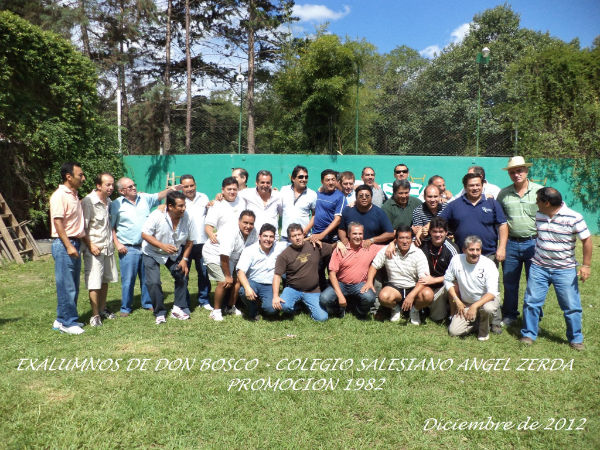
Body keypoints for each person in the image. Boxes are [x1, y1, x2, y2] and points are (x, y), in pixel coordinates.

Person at [520, 187, 592, 351]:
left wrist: (586, 265)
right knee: (531, 302)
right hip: (539, 267)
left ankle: (576, 339)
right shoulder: (539, 215)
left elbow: (587, 240)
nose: (536, 203)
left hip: (565, 270)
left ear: (547, 203)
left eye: (538, 200)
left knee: (571, 306)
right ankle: (529, 334)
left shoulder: (574, 217)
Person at [110, 177, 182, 316]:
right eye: (130, 187)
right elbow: (111, 226)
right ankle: (126, 307)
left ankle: (147, 303)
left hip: (146, 246)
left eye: (134, 185)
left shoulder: (144, 198)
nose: (134, 188)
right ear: (122, 191)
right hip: (128, 248)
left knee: (147, 278)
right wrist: (117, 244)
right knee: (128, 280)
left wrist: (172, 190)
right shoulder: (116, 204)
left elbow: (158, 196)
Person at [496, 156, 543, 326]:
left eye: (519, 171)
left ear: (526, 171)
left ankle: (534, 317)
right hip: (511, 244)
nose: (516, 174)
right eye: (512, 172)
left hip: (534, 243)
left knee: (535, 282)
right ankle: (510, 314)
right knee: (509, 282)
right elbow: (500, 220)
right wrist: (501, 246)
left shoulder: (540, 191)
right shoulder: (503, 194)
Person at [141, 191, 193, 324]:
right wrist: (162, 246)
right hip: (152, 252)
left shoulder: (186, 217)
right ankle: (159, 312)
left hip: (173, 253)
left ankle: (178, 308)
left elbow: (190, 241)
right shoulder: (156, 215)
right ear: (170, 206)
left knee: (182, 274)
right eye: (180, 206)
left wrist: (184, 260)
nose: (184, 208)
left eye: (184, 205)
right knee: (154, 282)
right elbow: (145, 234)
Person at [365, 225, 431, 325]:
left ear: (411, 239)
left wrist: (411, 295)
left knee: (428, 294)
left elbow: (424, 279)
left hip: (413, 287)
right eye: (401, 238)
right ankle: (395, 309)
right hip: (395, 288)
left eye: (408, 238)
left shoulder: (418, 253)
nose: (405, 241)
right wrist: (369, 282)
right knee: (383, 296)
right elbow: (374, 266)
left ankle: (415, 310)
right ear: (396, 239)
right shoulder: (388, 250)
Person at [50, 162, 86, 334]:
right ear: (68, 177)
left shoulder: (74, 195)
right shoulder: (60, 196)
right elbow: (58, 222)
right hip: (65, 244)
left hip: (74, 243)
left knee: (72, 285)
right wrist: (69, 245)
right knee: (67, 286)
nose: (83, 178)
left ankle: (60, 320)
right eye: (80, 175)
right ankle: (68, 323)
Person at [203, 210, 258, 321]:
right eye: (245, 222)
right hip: (214, 254)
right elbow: (224, 256)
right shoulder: (230, 232)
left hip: (232, 257)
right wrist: (228, 276)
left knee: (238, 280)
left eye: (251, 223)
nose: (248, 226)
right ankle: (216, 311)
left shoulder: (254, 232)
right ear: (239, 221)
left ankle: (230, 307)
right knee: (223, 281)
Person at [319, 222, 382, 319]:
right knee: (324, 299)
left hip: (360, 284)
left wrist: (391, 244)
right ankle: (339, 310)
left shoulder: (369, 246)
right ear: (348, 235)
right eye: (354, 234)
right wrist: (340, 296)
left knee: (370, 298)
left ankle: (359, 312)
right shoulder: (341, 249)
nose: (358, 236)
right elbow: (332, 274)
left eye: (360, 234)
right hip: (341, 283)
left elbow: (388, 247)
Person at [272, 224, 333, 322]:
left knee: (322, 318)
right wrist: (275, 296)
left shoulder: (314, 245)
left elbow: (332, 247)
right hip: (293, 289)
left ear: (303, 235)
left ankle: (305, 304)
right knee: (283, 306)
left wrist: (339, 243)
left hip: (312, 290)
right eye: (294, 236)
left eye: (299, 234)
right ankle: (297, 306)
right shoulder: (284, 255)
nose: (297, 238)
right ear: (289, 238)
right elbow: (277, 276)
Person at [444, 235, 500, 341]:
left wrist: (475, 306)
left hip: (486, 301)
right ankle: (477, 323)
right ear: (464, 250)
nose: (475, 253)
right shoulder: (456, 260)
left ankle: (483, 331)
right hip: (466, 303)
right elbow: (447, 280)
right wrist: (457, 300)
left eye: (478, 250)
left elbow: (492, 293)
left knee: (487, 308)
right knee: (454, 332)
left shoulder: (489, 264)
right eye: (471, 249)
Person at [81, 172, 118, 327]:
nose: (111, 187)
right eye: (107, 185)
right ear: (98, 185)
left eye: (112, 184)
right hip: (94, 249)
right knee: (94, 282)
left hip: (107, 248)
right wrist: (90, 245)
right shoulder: (88, 201)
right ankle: (95, 315)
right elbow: (82, 228)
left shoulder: (108, 201)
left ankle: (103, 309)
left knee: (105, 280)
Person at [237, 223, 287, 320]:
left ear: (275, 238)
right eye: (265, 236)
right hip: (253, 282)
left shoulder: (279, 247)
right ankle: (253, 309)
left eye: (271, 237)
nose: (268, 239)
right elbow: (240, 272)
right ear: (259, 237)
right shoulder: (250, 250)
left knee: (272, 310)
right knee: (243, 291)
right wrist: (247, 288)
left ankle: (262, 304)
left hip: (270, 285)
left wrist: (313, 238)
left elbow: (296, 243)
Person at [307, 169, 346, 290]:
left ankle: (333, 295)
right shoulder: (316, 194)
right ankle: (319, 292)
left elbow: (338, 220)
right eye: (327, 180)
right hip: (315, 236)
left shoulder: (340, 197)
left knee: (331, 268)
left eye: (333, 180)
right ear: (322, 182)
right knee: (317, 268)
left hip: (330, 239)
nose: (331, 182)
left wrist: (322, 235)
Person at [180, 174, 212, 311]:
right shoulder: (178, 200)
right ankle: (184, 302)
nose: (189, 189)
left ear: (195, 184)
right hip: (184, 244)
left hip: (202, 242)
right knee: (183, 274)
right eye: (186, 186)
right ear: (182, 188)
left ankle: (204, 300)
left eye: (191, 185)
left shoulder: (203, 197)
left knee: (204, 273)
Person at [417, 217, 459, 322]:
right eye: (434, 231)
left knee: (454, 285)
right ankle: (420, 308)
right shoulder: (423, 244)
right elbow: (407, 243)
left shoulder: (452, 249)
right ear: (430, 232)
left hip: (442, 286)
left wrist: (434, 280)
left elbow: (456, 274)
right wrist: (392, 244)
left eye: (441, 232)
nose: (438, 235)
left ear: (446, 233)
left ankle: (452, 315)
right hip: (425, 284)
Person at [238, 170, 282, 239]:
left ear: (271, 184)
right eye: (262, 182)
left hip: (272, 239)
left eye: (268, 183)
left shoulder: (278, 196)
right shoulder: (247, 194)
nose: (265, 185)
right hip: (253, 239)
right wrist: (221, 195)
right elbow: (232, 195)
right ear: (256, 183)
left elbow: (284, 213)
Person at [280, 165, 317, 241]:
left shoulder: (312, 194)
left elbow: (315, 215)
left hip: (303, 237)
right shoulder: (284, 190)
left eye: (306, 177)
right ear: (293, 178)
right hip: (286, 237)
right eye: (301, 177)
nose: (304, 179)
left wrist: (306, 230)